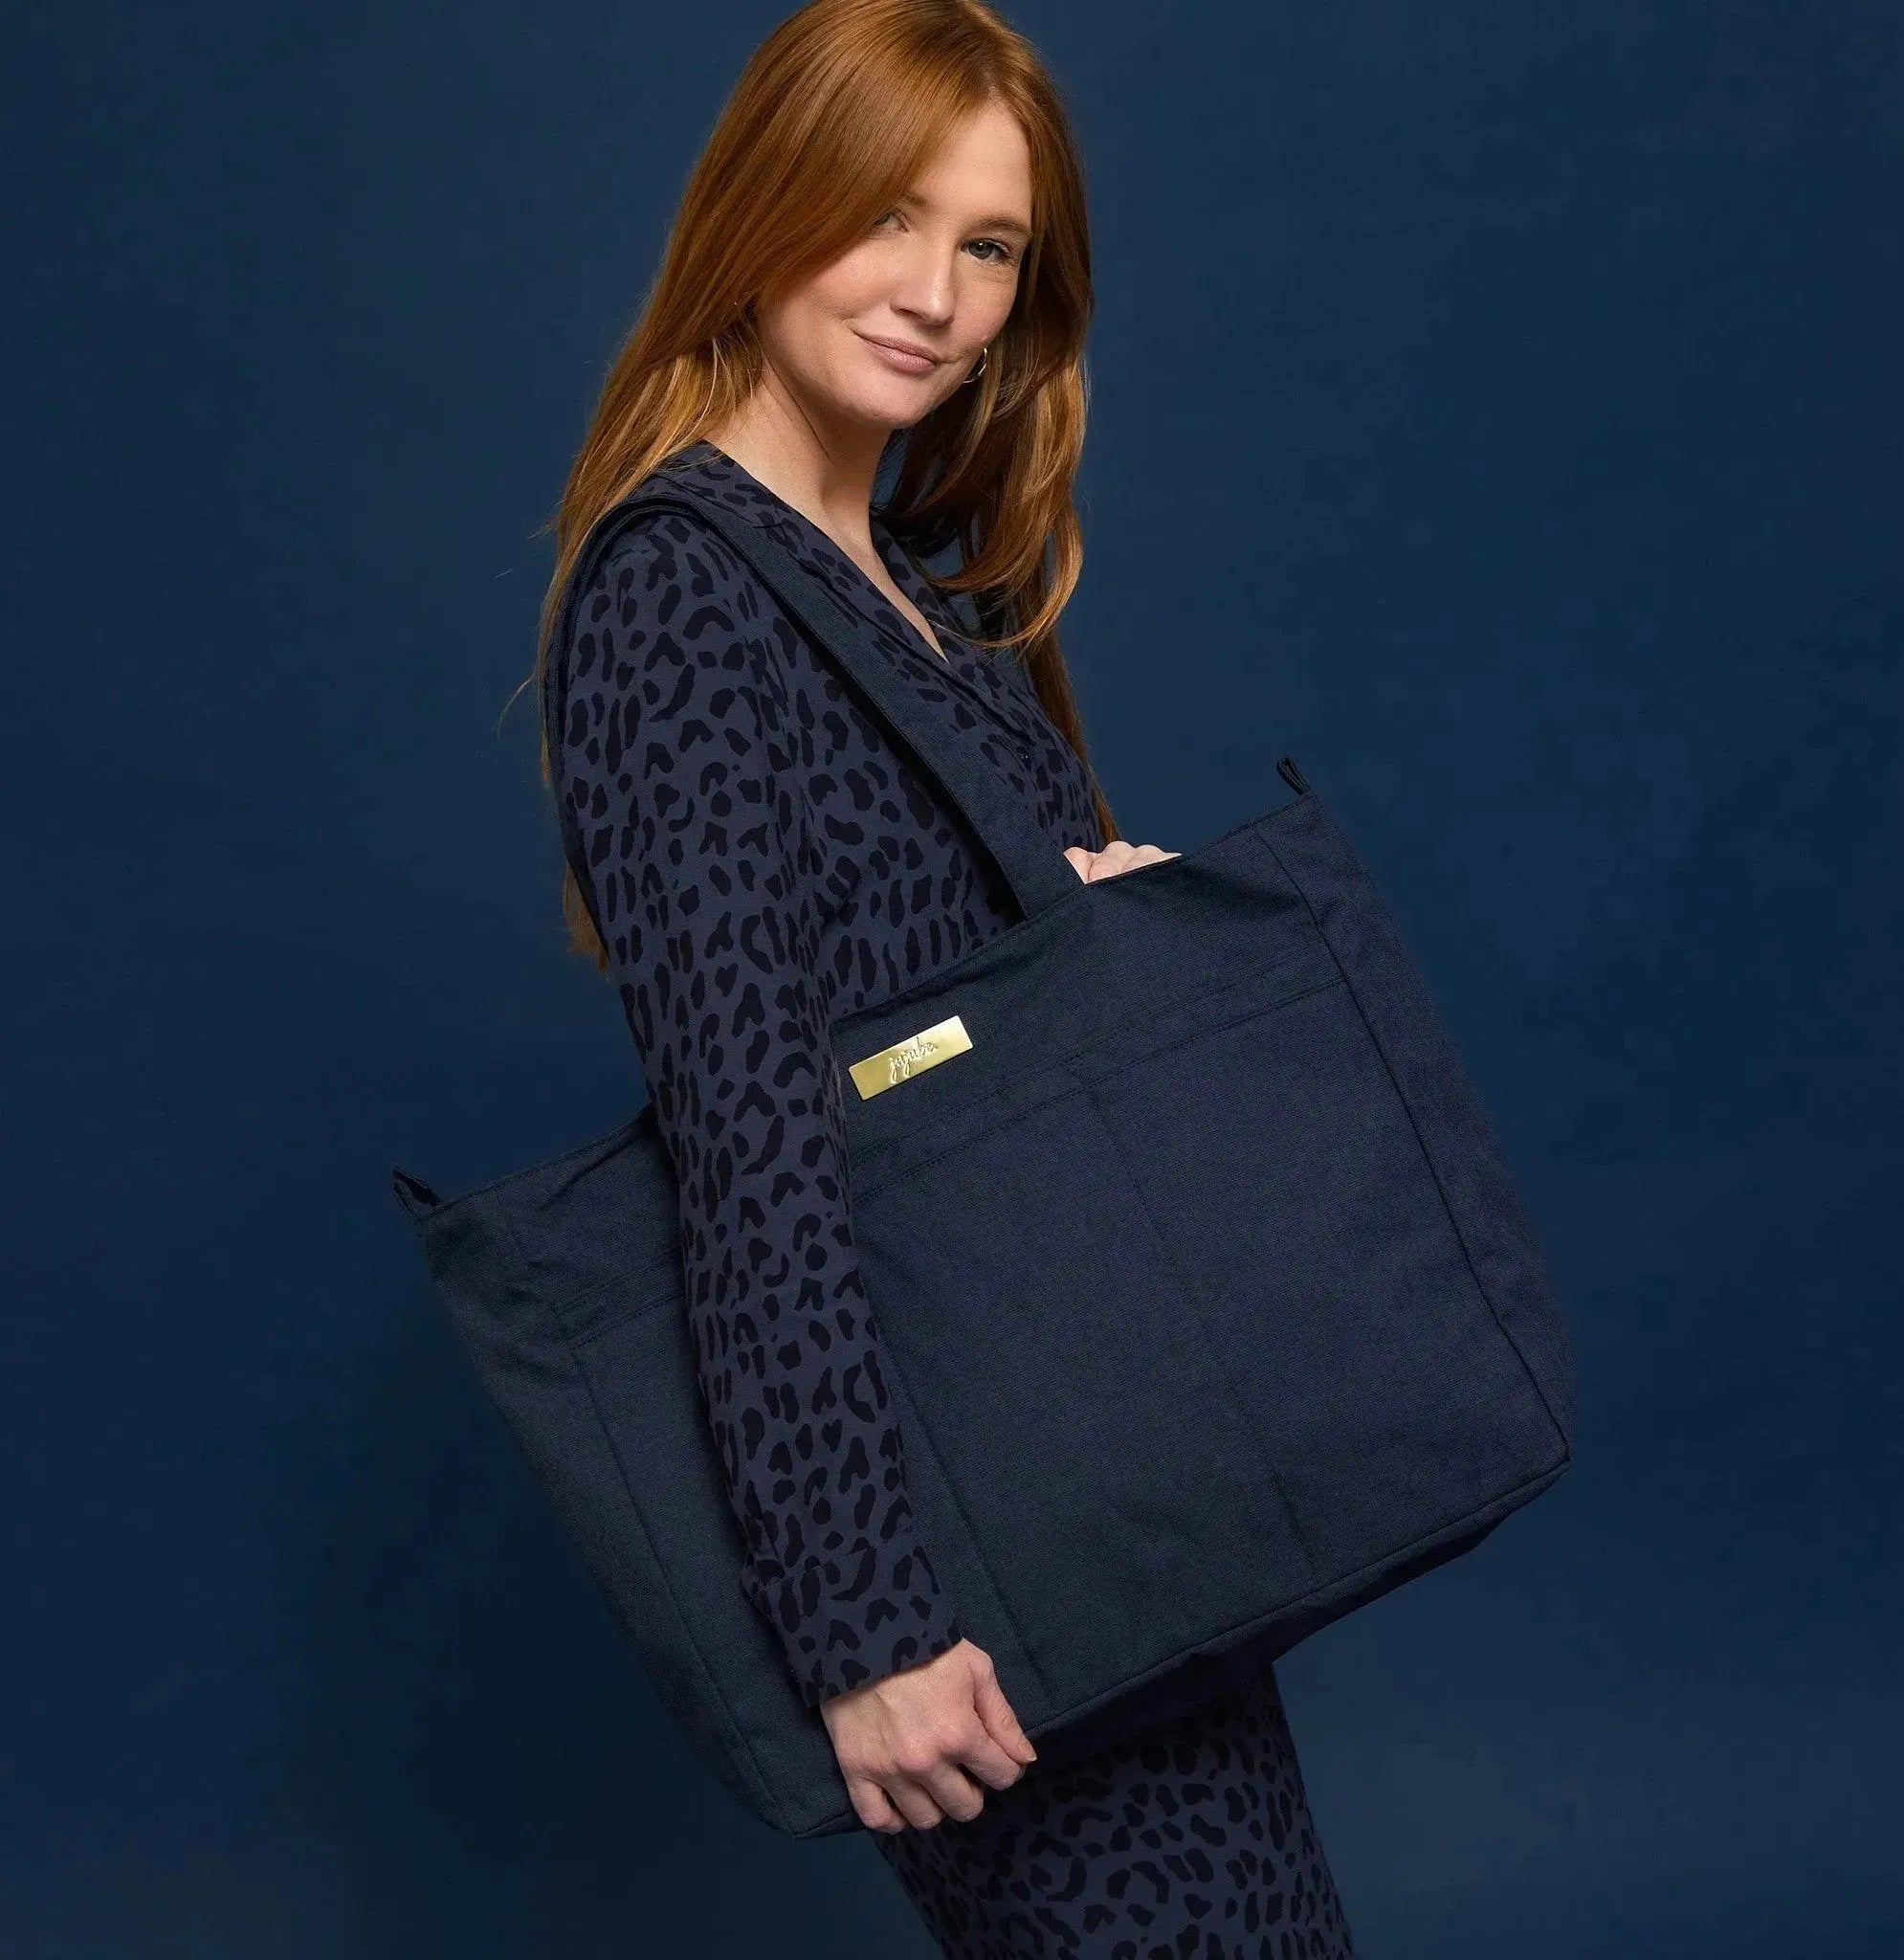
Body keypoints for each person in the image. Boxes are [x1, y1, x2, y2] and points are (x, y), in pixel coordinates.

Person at [538, 1, 1358, 1949]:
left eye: (989, 246)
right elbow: (753, 1150)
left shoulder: (893, 580)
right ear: (766, 201)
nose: (936, 295)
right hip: (956, 1553)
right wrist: (868, 1629)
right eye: (887, 217)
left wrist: (1103, 924)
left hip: (1096, 1482)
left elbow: (947, 1033)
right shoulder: (683, 595)